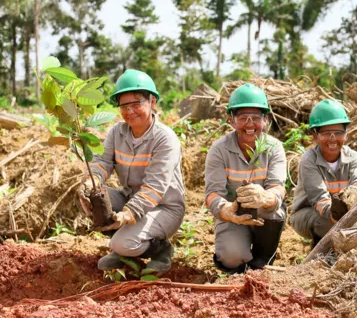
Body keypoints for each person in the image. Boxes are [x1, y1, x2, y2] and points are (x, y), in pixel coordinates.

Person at [77, 69, 185, 274]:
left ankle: (160, 249)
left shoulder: (165, 139)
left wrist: (128, 214)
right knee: (93, 195)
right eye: (124, 106)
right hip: (130, 199)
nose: (130, 111)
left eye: (136, 104)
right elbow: (102, 161)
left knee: (122, 243)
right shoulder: (117, 132)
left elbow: (155, 187)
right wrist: (92, 181)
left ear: (152, 102)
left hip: (164, 208)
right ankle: (125, 248)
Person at [204, 83, 287, 273]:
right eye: (242, 118)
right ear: (232, 121)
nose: (250, 124)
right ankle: (240, 267)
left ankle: (262, 262)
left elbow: (278, 187)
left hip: (264, 214)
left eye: (256, 118)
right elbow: (212, 194)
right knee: (231, 258)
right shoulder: (219, 150)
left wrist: (266, 198)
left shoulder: (274, 148)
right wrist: (226, 210)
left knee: (274, 210)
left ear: (266, 120)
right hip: (234, 216)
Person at [290, 99, 357, 247]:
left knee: (353, 223)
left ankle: (340, 253)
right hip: (306, 214)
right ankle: (319, 251)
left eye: (338, 133)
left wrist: (354, 193)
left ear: (346, 135)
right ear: (315, 136)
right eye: (326, 133)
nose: (332, 139)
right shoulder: (309, 160)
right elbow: (318, 198)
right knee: (329, 224)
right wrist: (333, 212)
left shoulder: (353, 157)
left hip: (342, 213)